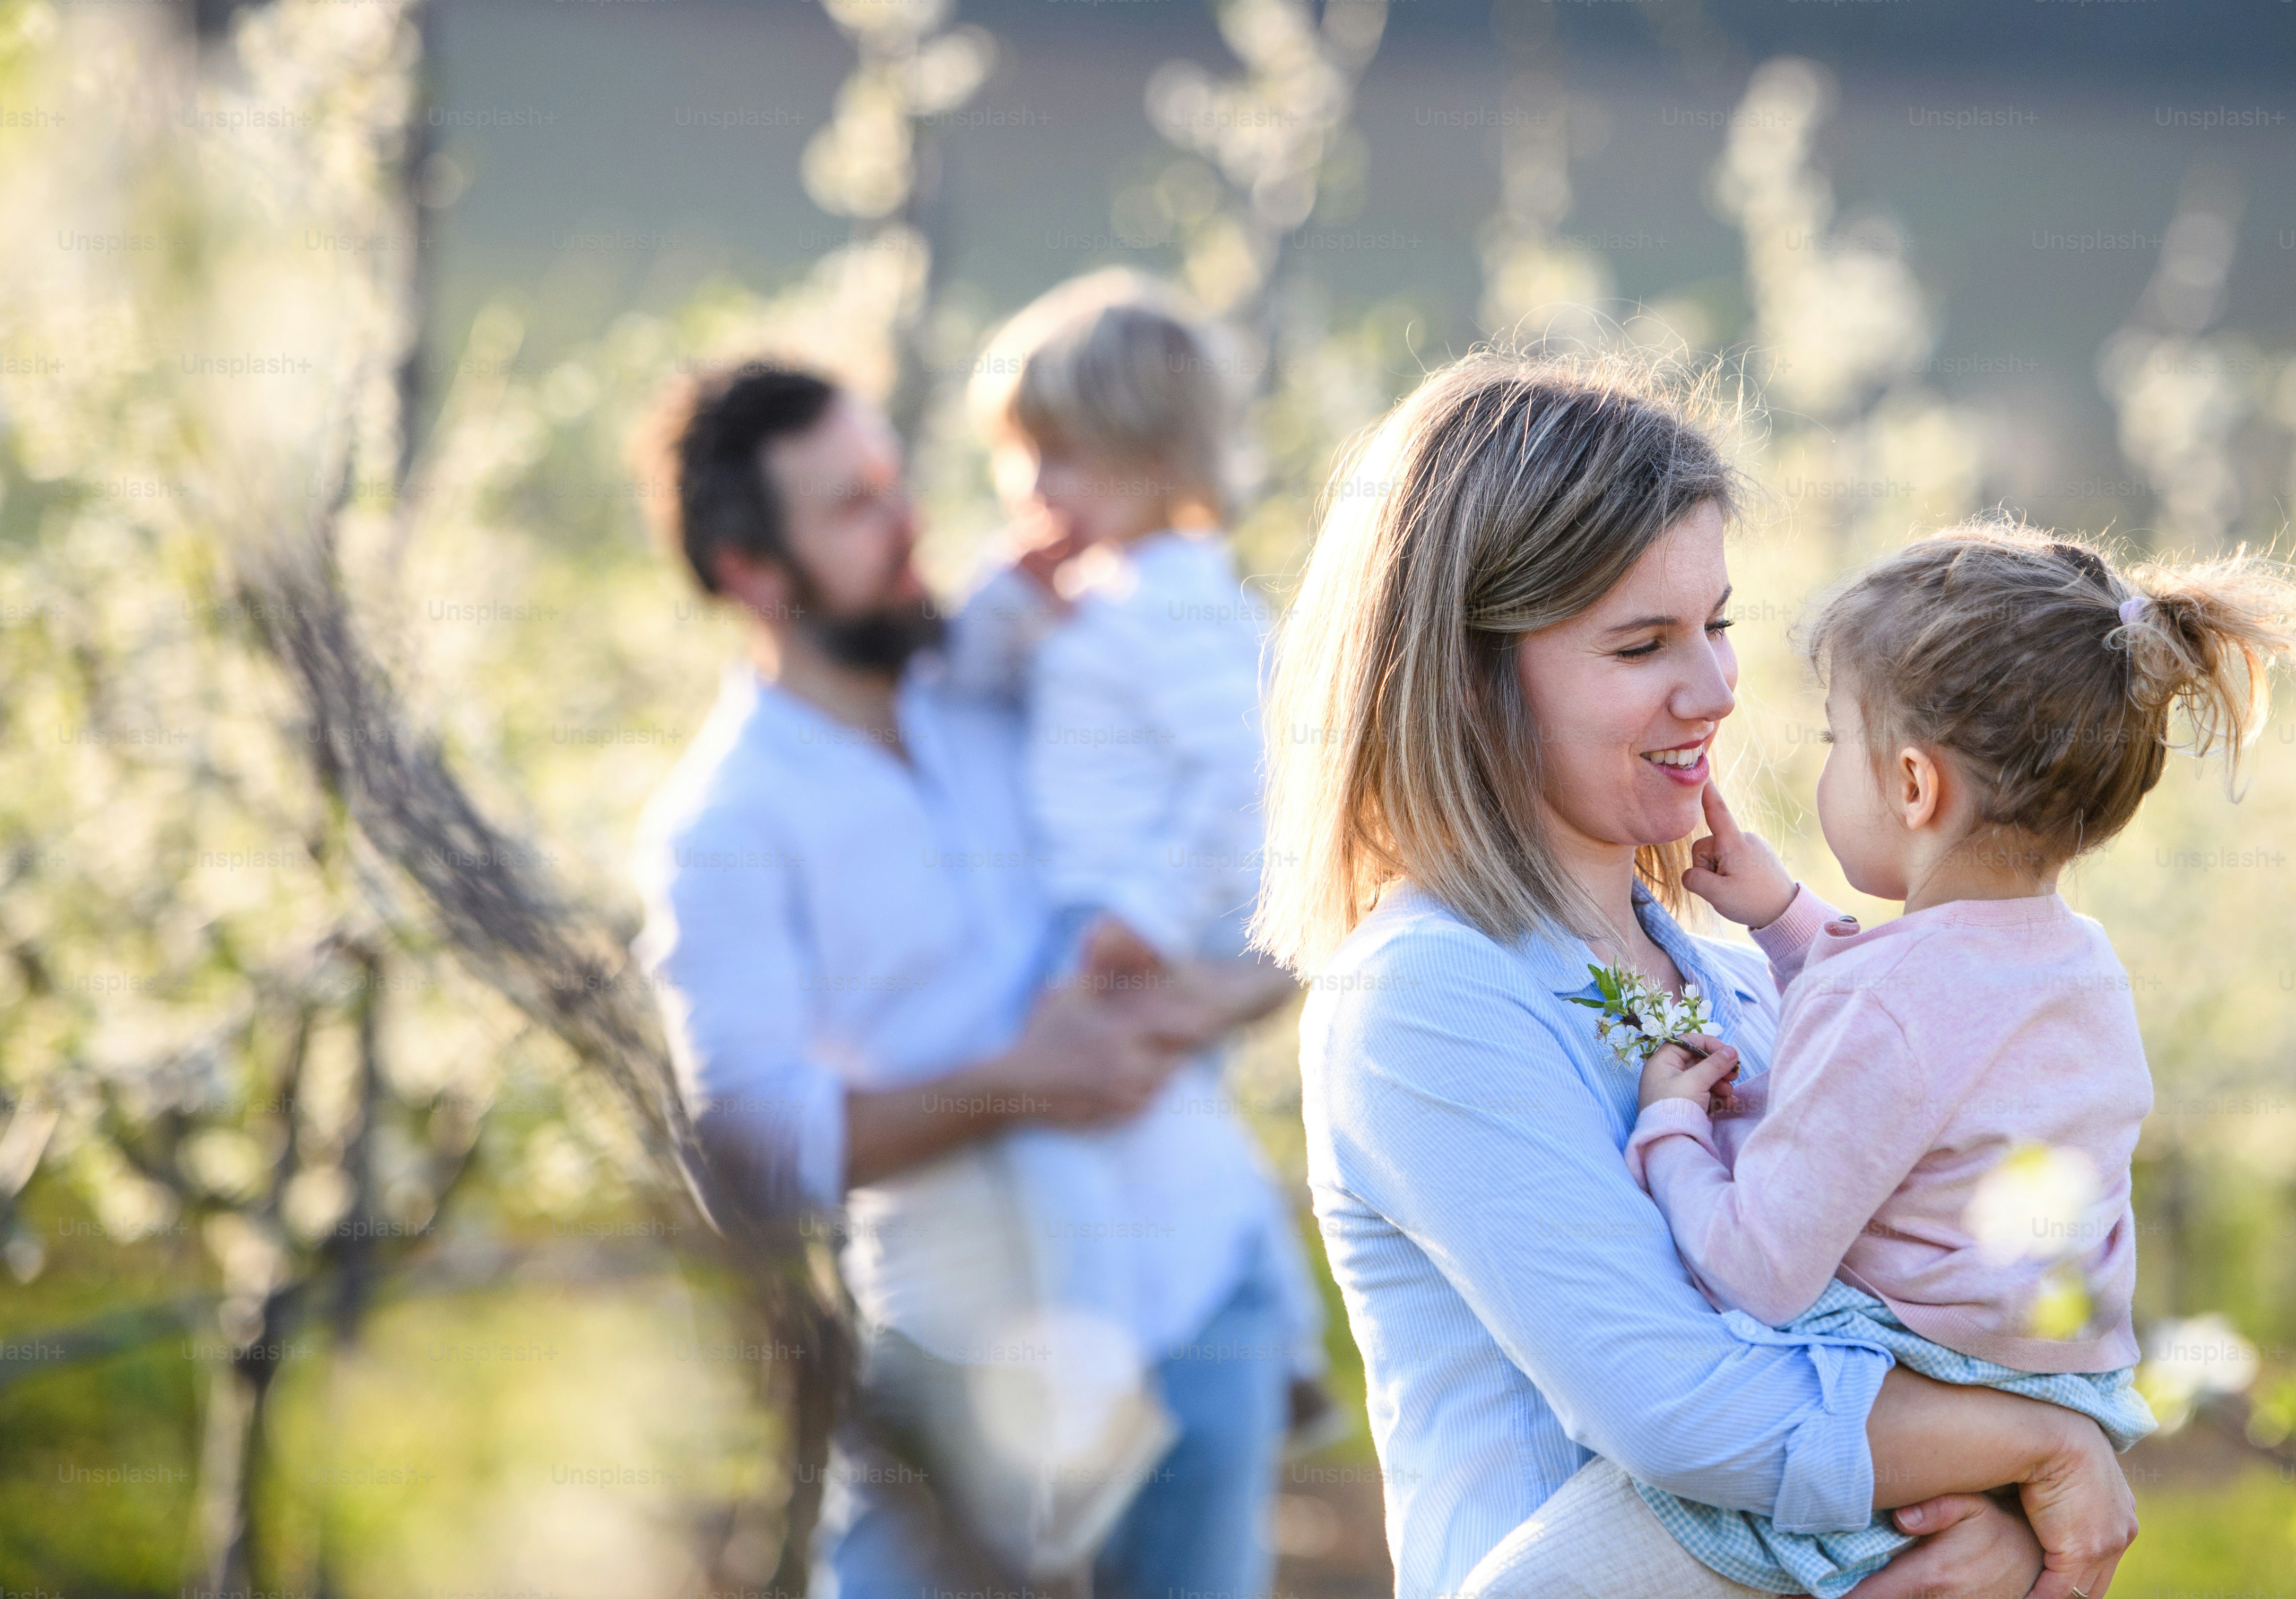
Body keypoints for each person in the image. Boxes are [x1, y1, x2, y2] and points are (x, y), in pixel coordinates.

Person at [1251, 352, 2085, 1599]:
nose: (1716, 688)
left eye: (1719, 623)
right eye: (1642, 644)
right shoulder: (1426, 998)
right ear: (1466, 683)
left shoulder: (1732, 964)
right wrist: (2049, 1443)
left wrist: (2000, 1520)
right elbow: (1686, 1403)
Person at [1475, 524, 2296, 1599]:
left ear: (1910, 782)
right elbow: (1928, 1046)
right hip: (2048, 1383)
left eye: (1830, 739)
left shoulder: (1883, 1006)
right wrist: (1783, 915)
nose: (1816, 765)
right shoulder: (2077, 965)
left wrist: (1669, 1129)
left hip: (1899, 1399)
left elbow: (1759, 1265)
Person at [628, 362, 1289, 1596]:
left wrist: (1197, 1001)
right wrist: (1015, 1084)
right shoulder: (721, 825)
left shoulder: (1035, 672)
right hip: (962, 1352)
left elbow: (1262, 896)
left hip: (1205, 1284)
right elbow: (748, 1160)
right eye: (854, 504)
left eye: (895, 479)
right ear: (750, 572)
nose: (910, 519)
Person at [961, 271, 1335, 1468]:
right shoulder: (1108, 598)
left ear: (1152, 455)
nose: (1030, 490)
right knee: (1175, 1115)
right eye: (1022, 456)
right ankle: (1276, 1332)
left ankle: (1106, 1369)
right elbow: (972, 682)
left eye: (1059, 457)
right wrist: (998, 607)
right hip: (1122, 905)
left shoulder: (1168, 610)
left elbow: (1243, 784)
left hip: (1135, 915)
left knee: (1058, 1129)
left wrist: (1143, 910)